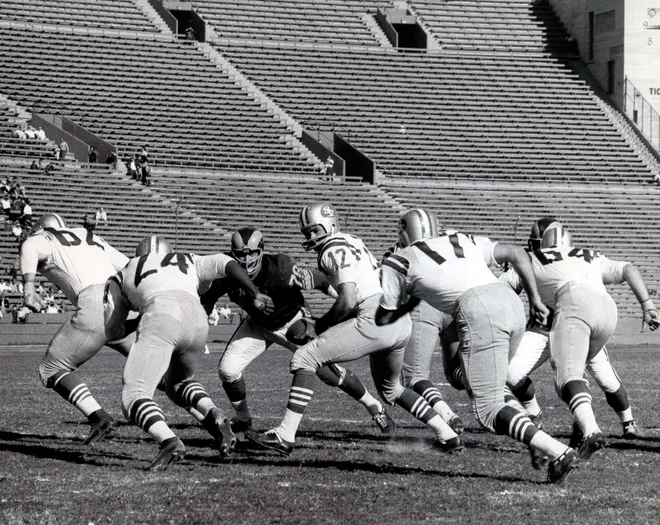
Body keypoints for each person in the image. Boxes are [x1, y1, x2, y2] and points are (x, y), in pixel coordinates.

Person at [375, 208, 581, 484]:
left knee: (489, 410)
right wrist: (535, 299)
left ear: (404, 231)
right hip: (510, 304)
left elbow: (386, 316)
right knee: (488, 387)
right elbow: (518, 254)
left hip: (479, 310)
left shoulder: (399, 259)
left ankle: (558, 451)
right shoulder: (461, 239)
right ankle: (535, 434)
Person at [246, 204, 462, 456]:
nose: (311, 238)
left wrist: (322, 324)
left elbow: (348, 299)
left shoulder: (331, 249)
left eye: (315, 230)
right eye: (307, 233)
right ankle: (447, 434)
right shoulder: (352, 240)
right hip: (400, 319)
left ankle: (285, 435)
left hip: (374, 317)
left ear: (330, 225)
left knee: (305, 357)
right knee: (392, 389)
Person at [200, 227, 395, 436]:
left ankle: (374, 407)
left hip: (293, 320)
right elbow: (208, 301)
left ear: (262, 251)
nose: (246, 260)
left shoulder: (280, 268)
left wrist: (346, 302)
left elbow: (319, 280)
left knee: (327, 371)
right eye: (241, 254)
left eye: (252, 253)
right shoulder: (225, 272)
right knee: (228, 370)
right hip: (257, 325)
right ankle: (244, 419)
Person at [103, 235, 274, 470]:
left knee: (134, 394)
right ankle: (214, 413)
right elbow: (227, 263)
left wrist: (138, 318)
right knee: (178, 384)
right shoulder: (186, 260)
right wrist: (254, 292)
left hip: (161, 315)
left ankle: (168, 441)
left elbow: (112, 330)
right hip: (197, 319)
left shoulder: (122, 273)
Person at [505, 217, 659, 462]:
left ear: (541, 242)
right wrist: (647, 303)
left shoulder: (533, 259)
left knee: (568, 376)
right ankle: (539, 417)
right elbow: (629, 268)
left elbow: (503, 288)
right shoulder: (588, 255)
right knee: (515, 373)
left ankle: (594, 429)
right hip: (582, 319)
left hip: (570, 319)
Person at [19, 213, 135, 445]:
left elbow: (30, 247)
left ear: (42, 228)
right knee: (158, 368)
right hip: (124, 299)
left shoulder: (44, 238)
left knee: (51, 367)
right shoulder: (87, 235)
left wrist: (29, 288)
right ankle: (212, 416)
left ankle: (99, 417)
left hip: (97, 303)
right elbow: (128, 266)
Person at [381, 226, 464, 435]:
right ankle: (507, 400)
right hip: (452, 306)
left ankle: (448, 416)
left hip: (423, 307)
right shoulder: (445, 244)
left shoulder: (399, 252)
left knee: (415, 377)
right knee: (457, 373)